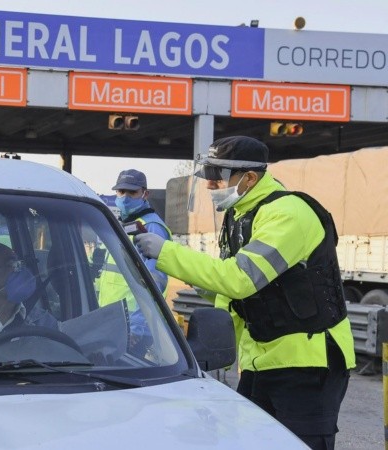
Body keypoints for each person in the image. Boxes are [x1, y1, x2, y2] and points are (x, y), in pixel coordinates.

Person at [134, 135, 355, 449]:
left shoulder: (286, 213)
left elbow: (241, 279)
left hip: (307, 361)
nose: (211, 185)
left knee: (299, 444)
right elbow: (233, 295)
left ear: (250, 178)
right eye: (207, 177)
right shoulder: (240, 215)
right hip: (263, 360)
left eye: (217, 177)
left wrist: (167, 253)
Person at [94, 169, 172, 355]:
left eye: (132, 192)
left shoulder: (151, 228)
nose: (125, 197)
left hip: (133, 327)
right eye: (121, 192)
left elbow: (154, 282)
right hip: (112, 321)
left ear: (145, 193)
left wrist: (136, 326)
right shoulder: (121, 226)